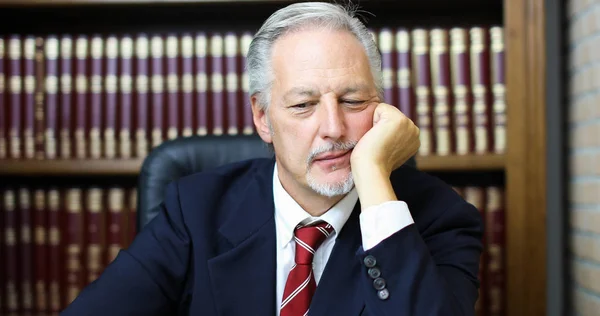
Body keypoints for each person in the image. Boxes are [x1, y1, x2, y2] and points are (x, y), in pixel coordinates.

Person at [60, 2, 483, 315]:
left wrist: (372, 172)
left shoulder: (441, 217)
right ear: (262, 118)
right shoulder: (195, 208)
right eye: (303, 105)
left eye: (354, 101)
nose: (333, 127)